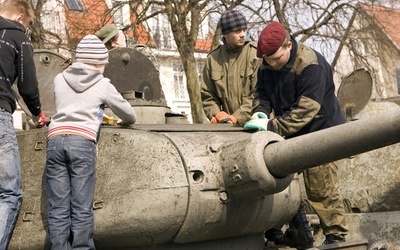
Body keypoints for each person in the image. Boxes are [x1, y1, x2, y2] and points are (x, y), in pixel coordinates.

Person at [244, 21, 348, 247]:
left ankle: (336, 238)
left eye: (275, 59)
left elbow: (306, 111)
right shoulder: (268, 63)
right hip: (289, 132)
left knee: (322, 188)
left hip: (320, 131)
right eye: (267, 60)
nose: (271, 64)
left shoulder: (312, 65)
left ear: (288, 46)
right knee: (280, 183)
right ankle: (300, 231)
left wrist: (271, 128)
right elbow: (261, 93)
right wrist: (260, 113)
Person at [45, 34, 137, 249]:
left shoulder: (59, 78)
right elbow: (130, 114)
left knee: (58, 207)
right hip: (82, 142)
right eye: (103, 63)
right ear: (97, 62)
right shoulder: (102, 83)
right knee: (81, 206)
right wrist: (123, 120)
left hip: (56, 140)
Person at [0, 0, 48, 248]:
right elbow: (28, 86)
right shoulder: (16, 36)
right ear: (20, 17)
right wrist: (38, 113)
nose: (27, 30)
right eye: (27, 26)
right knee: (8, 193)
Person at [201, 10, 261, 126]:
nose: (243, 34)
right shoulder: (213, 59)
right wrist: (216, 114)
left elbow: (258, 94)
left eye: (244, 29)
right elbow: (207, 94)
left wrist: (236, 118)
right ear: (226, 34)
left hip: (255, 124)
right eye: (237, 31)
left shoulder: (255, 54)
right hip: (226, 127)